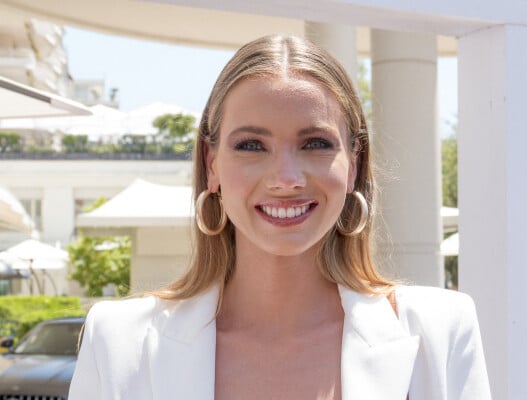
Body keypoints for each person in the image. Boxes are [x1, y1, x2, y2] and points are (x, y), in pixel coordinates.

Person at [69, 34, 491, 400]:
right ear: (211, 163)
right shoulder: (117, 342)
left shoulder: (441, 332)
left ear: (355, 165)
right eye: (252, 145)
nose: (285, 179)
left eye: (316, 144)